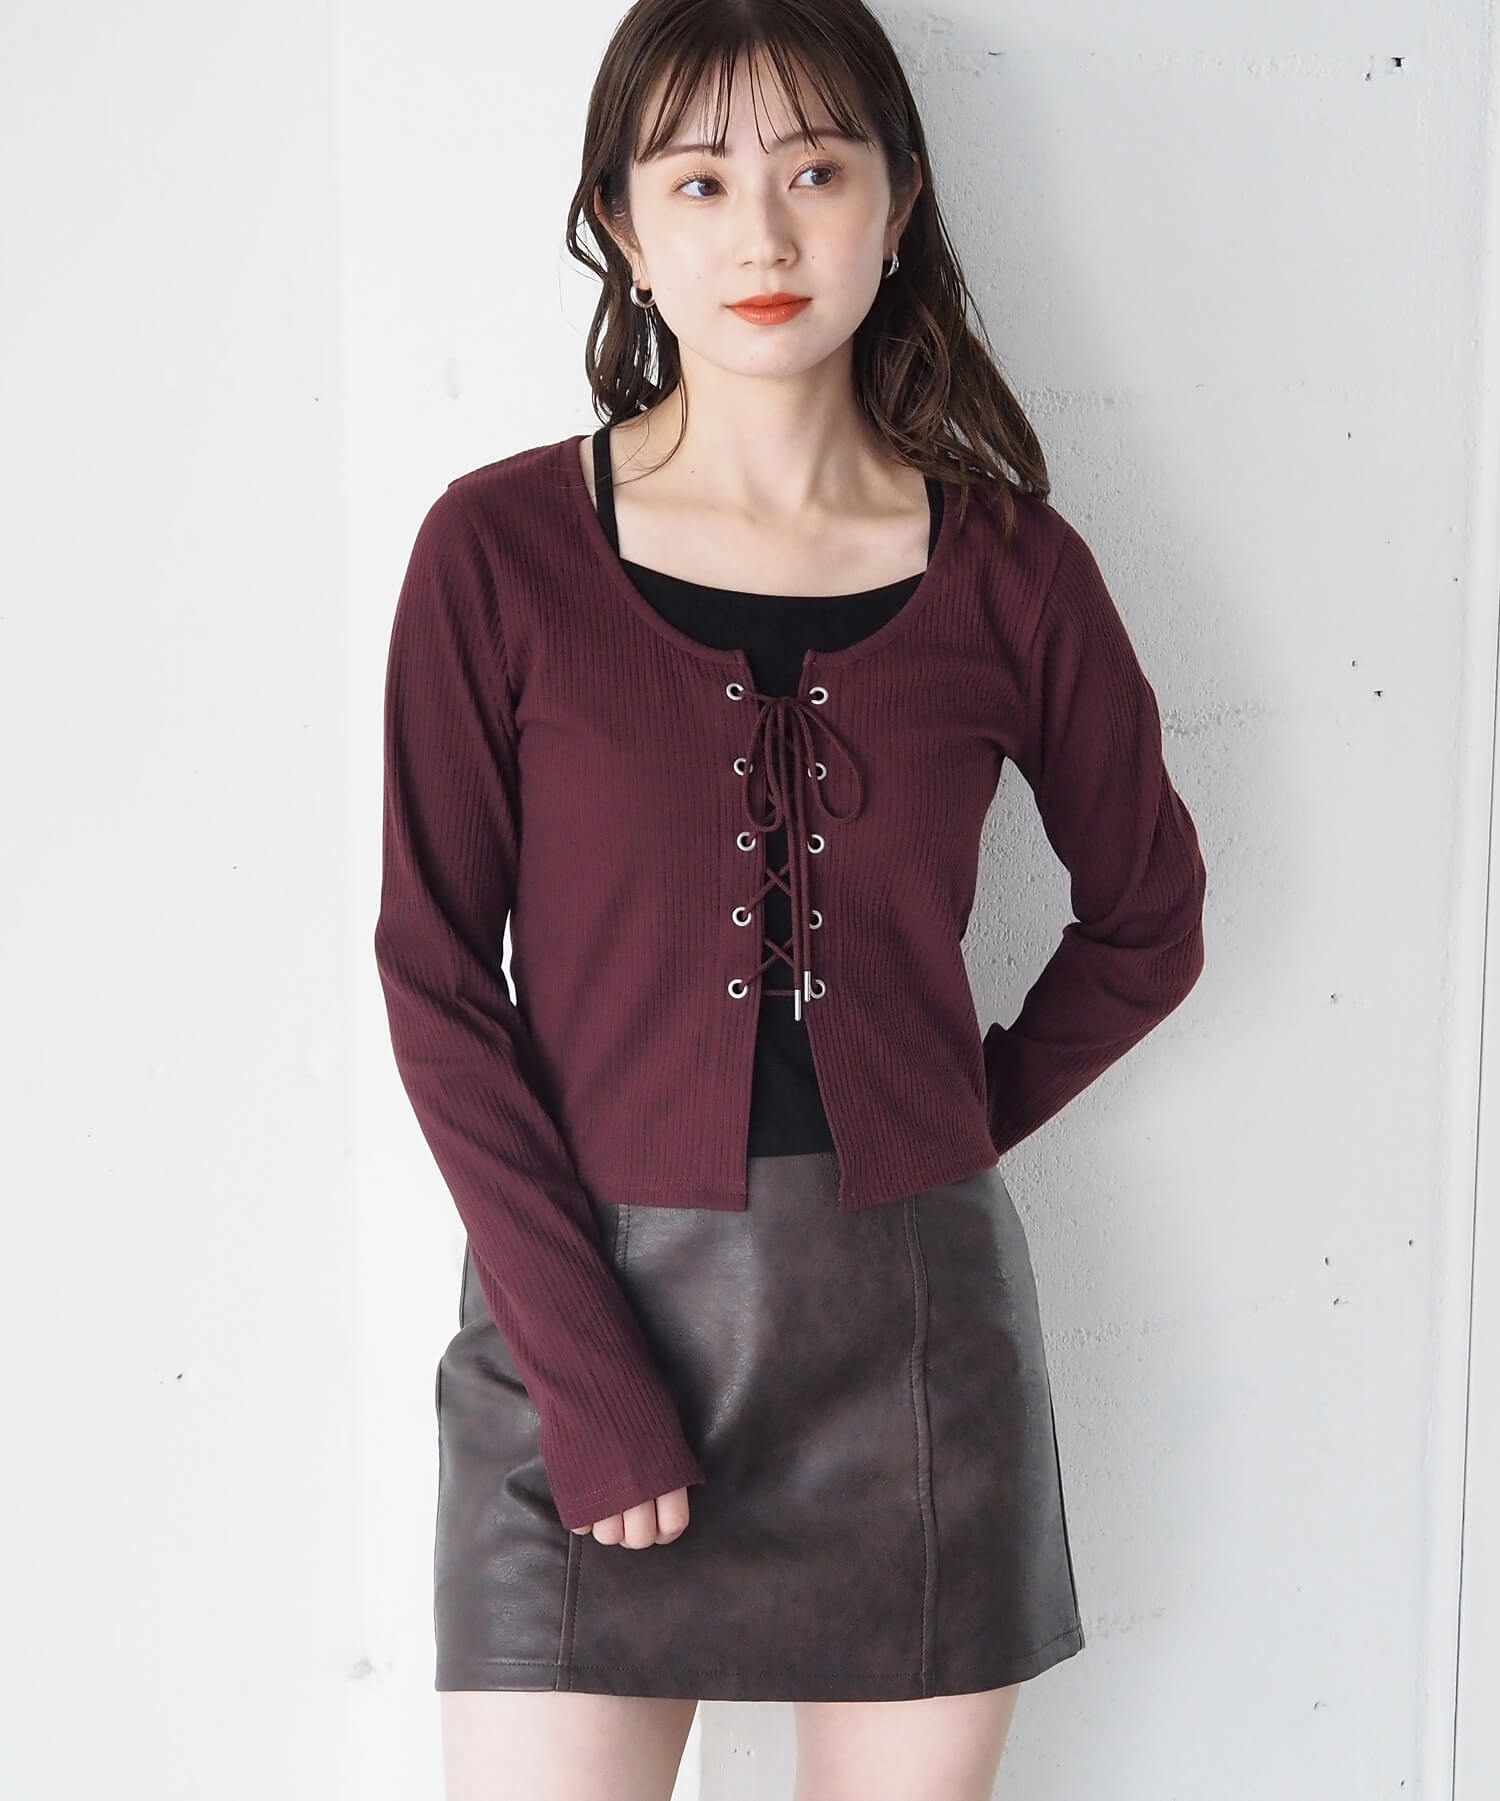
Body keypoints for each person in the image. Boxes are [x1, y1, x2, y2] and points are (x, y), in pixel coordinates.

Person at [373, 3, 1208, 1797]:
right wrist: (588, 1378)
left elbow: (1151, 917)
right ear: (622, 223)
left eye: (815, 172)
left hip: (912, 1357)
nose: (760, 234)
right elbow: (434, 978)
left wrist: (937, 1115)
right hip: (572, 1338)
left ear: (897, 204)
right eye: (699, 181)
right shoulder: (495, 553)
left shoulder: (1016, 570)